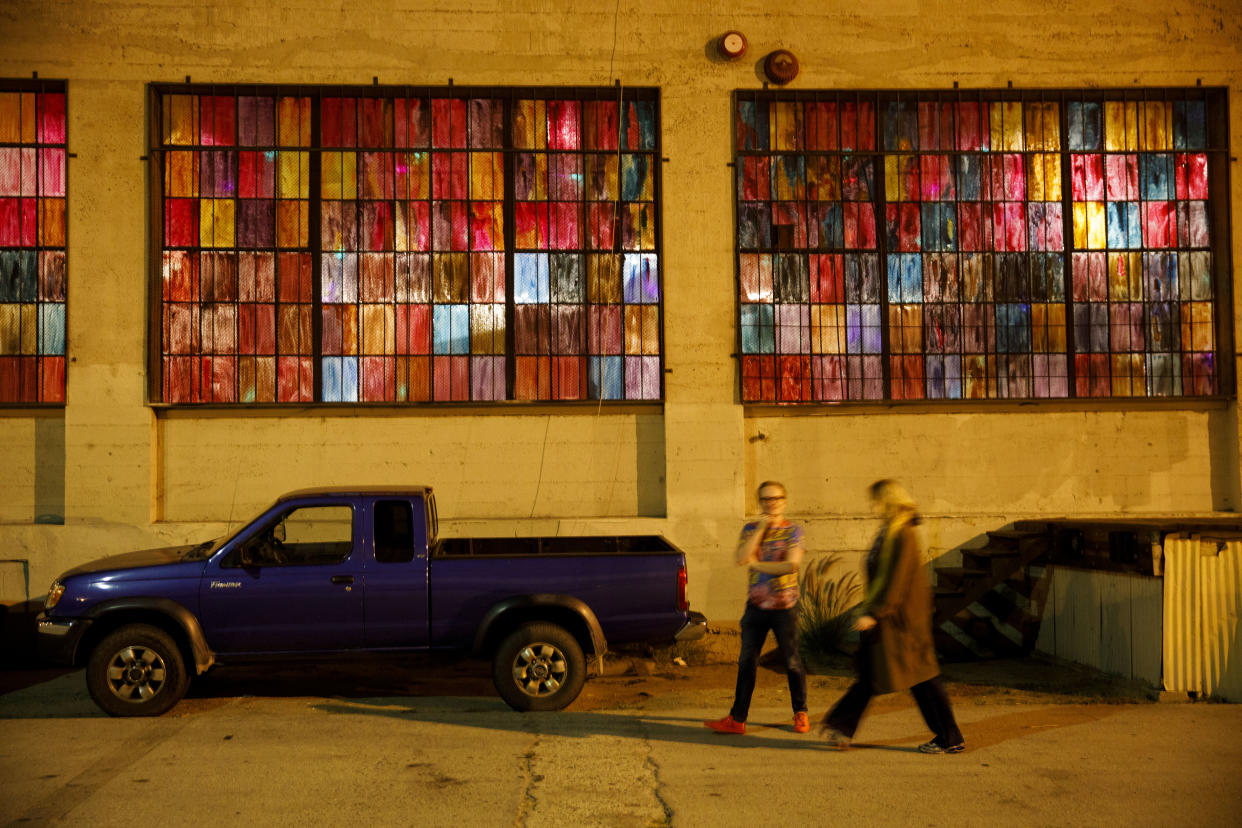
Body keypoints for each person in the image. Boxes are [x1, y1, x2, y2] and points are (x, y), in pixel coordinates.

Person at [820, 479, 964, 753]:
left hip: (901, 623)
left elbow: (898, 579)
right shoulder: (890, 530)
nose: (873, 506)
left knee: (919, 678)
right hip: (893, 620)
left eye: (876, 500)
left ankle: (950, 737)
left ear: (887, 500)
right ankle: (841, 727)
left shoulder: (903, 534)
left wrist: (875, 612)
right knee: (880, 674)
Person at [705, 480, 810, 735]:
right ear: (760, 502)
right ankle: (737, 719)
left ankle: (801, 713)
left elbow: (790, 566)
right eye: (765, 499)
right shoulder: (751, 528)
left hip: (785, 606)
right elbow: (741, 558)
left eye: (775, 498)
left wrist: (759, 565)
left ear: (784, 500)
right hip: (755, 607)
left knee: (792, 660)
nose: (771, 503)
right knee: (746, 662)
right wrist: (761, 529)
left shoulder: (794, 531)